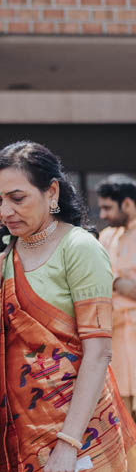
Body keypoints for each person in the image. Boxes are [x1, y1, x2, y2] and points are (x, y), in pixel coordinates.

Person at [0, 141, 136, 472]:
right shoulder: (2, 253)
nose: (5, 211)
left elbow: (98, 353)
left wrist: (68, 442)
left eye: (17, 198)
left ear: (52, 192)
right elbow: (3, 339)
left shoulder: (79, 248)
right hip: (15, 434)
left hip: (76, 431)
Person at [98, 175, 136, 417]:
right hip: (114, 341)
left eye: (107, 207)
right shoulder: (106, 237)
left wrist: (115, 282)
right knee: (120, 417)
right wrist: (119, 282)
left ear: (128, 204)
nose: (102, 215)